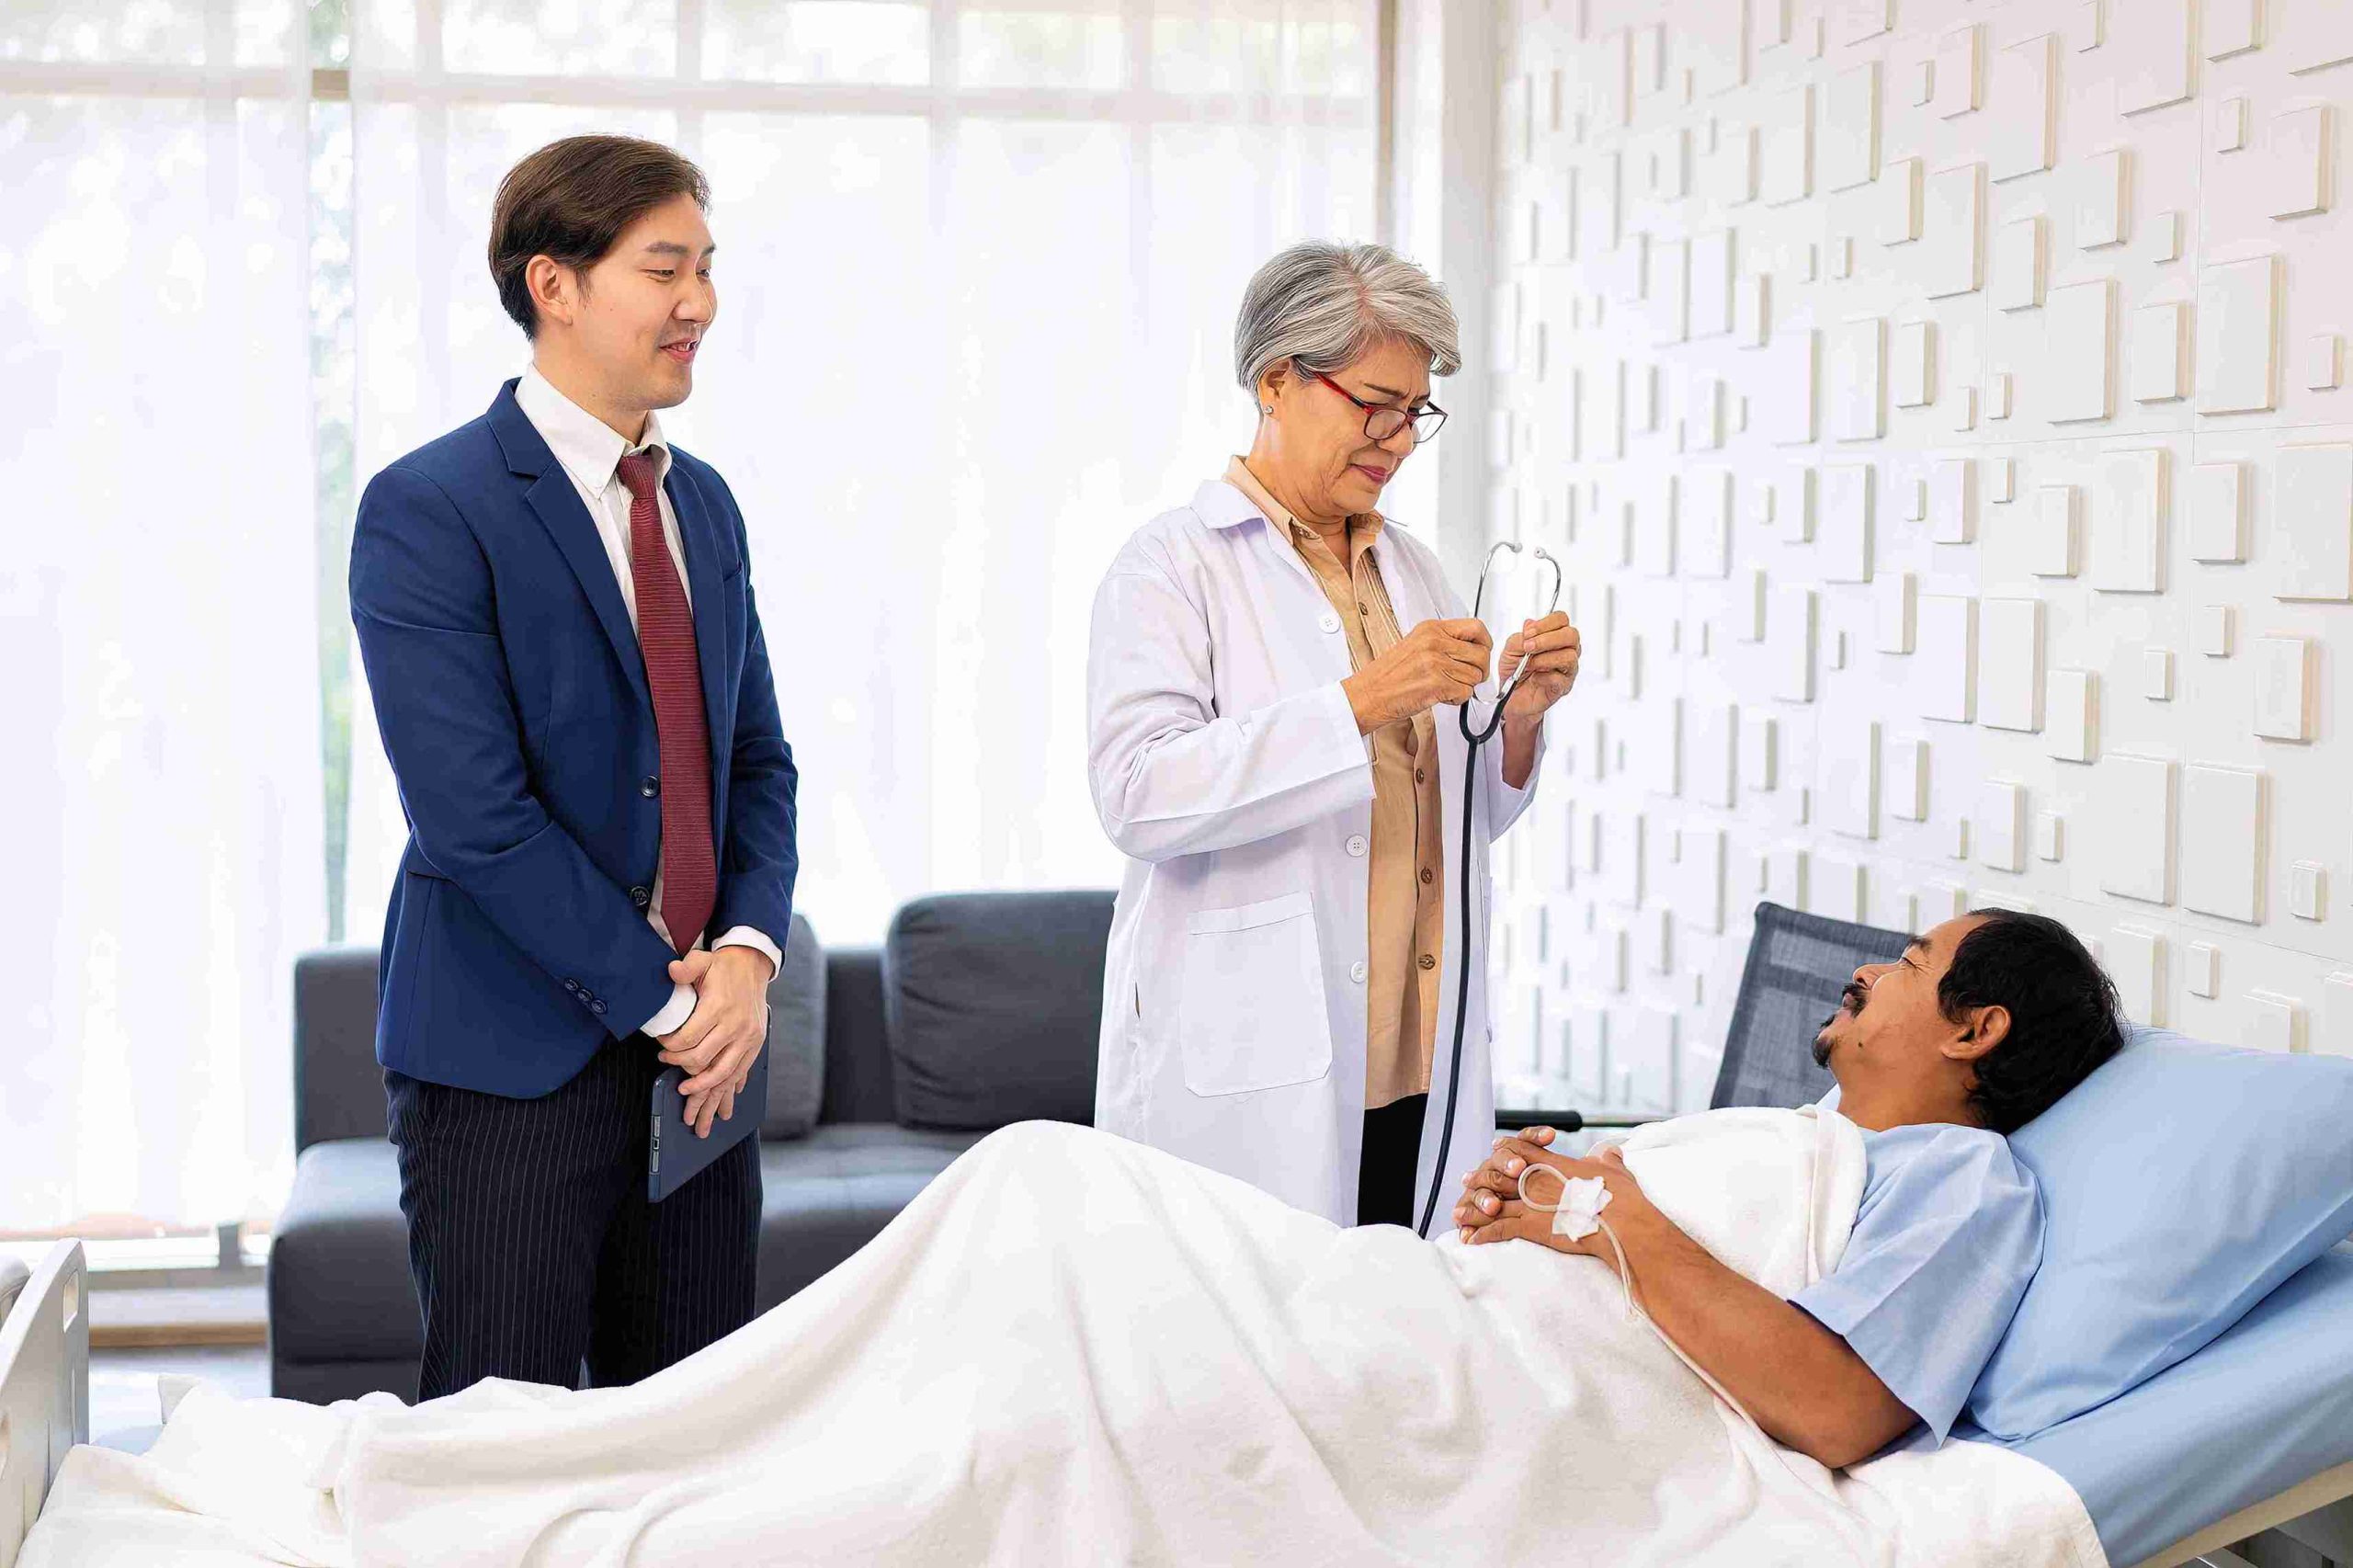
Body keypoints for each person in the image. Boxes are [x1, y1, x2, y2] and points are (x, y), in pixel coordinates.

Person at [347, 135, 797, 1399]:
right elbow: (471, 817)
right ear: (555, 283)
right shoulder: (431, 506)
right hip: (509, 1067)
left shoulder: (701, 503)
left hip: (703, 1073)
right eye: (665, 269)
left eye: (707, 268)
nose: (698, 302)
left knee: (696, 1440)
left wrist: (752, 959)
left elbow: (757, 760)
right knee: (502, 1460)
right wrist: (673, 1003)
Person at [1086, 241, 1582, 1231]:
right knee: (1248, 1353)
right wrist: (1357, 701)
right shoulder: (1171, 567)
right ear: (1277, 379)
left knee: (1392, 1346)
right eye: (1374, 403)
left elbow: (1454, 816)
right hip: (1258, 1062)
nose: (1396, 438)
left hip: (1413, 1056)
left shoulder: (1413, 570)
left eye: (1414, 413)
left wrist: (1518, 722)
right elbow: (1137, 794)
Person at [1453, 908, 2125, 1465]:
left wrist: (1604, 1215)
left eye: (1907, 965)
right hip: (1457, 1306)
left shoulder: (1963, 1182)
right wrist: (1526, 1193)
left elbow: (1835, 1411)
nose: (1866, 972)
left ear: (1975, 1030)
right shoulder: (1800, 1134)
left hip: (1504, 1382)